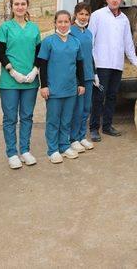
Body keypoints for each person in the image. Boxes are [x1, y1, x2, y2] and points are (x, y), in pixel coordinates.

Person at [88, 0, 137, 142]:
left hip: (117, 65)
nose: (114, 0)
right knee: (99, 96)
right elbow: (89, 41)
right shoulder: (97, 15)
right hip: (101, 64)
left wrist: (135, 62)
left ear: (121, 0)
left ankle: (107, 126)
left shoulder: (124, 19)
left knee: (112, 96)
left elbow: (128, 43)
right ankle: (93, 128)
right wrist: (92, 67)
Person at [0, 0, 42, 169]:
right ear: (12, 7)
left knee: (27, 116)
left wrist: (35, 70)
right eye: (17, 4)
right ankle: (12, 153)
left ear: (27, 6)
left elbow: (39, 53)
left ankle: (25, 150)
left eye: (23, 4)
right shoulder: (5, 28)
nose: (20, 7)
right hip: (10, 82)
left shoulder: (34, 28)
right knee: (10, 118)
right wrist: (12, 71)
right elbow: (0, 52)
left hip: (30, 80)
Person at [37, 10, 86, 163]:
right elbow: (42, 66)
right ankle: (53, 150)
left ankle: (64, 146)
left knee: (66, 120)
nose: (63, 25)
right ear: (55, 23)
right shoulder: (48, 42)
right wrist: (43, 86)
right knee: (53, 120)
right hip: (54, 89)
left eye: (66, 22)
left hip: (71, 88)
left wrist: (82, 84)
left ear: (70, 22)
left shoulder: (75, 41)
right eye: (60, 22)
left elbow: (79, 65)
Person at [69, 2, 97, 152]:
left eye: (86, 14)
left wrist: (95, 73)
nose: (84, 17)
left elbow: (90, 54)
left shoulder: (88, 32)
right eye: (81, 14)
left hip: (88, 75)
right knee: (77, 109)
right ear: (75, 14)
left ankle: (81, 136)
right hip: (77, 77)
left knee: (87, 108)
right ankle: (73, 139)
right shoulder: (70, 31)